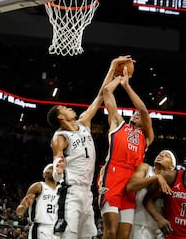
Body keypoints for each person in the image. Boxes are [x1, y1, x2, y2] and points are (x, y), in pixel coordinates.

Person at [46, 55, 135, 239]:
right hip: (70, 192)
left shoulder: (84, 121)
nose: (69, 108)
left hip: (87, 193)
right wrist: (57, 169)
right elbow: (57, 157)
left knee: (87, 237)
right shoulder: (60, 137)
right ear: (60, 117)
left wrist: (114, 71)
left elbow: (102, 94)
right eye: (64, 108)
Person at [98, 62, 155, 239]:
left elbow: (144, 110)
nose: (137, 113)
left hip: (131, 181)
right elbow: (107, 92)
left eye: (139, 115)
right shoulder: (117, 123)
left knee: (124, 235)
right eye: (134, 113)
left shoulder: (146, 137)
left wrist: (128, 87)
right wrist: (118, 78)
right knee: (111, 230)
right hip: (113, 174)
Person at [126, 149, 177, 239]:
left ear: (172, 166)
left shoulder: (173, 182)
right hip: (136, 225)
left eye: (166, 155)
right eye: (160, 154)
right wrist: (155, 178)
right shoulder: (146, 168)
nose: (161, 155)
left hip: (158, 230)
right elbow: (130, 187)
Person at [15, 163, 61, 239]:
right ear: (44, 174)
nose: (53, 170)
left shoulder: (61, 189)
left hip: (57, 229)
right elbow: (18, 212)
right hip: (40, 228)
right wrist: (24, 206)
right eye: (50, 168)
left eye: (54, 168)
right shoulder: (38, 186)